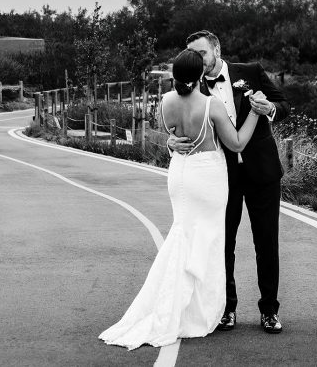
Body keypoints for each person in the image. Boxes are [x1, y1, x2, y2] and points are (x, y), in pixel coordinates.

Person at [99, 48, 266, 350]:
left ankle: (177, 304)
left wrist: (170, 143)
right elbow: (238, 143)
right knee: (209, 241)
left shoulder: (165, 102)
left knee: (183, 234)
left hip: (180, 175)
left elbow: (172, 138)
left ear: (175, 75)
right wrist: (255, 112)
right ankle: (197, 312)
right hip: (207, 177)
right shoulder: (212, 105)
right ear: (200, 74)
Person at [168, 30, 289, 334]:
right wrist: (172, 141)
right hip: (221, 177)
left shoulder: (250, 72)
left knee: (266, 242)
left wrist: (270, 109)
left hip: (262, 171)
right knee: (223, 244)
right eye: (193, 56)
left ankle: (269, 311)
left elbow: (283, 103)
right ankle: (226, 308)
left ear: (217, 49)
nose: (199, 60)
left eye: (202, 54)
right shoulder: (193, 87)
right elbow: (180, 122)